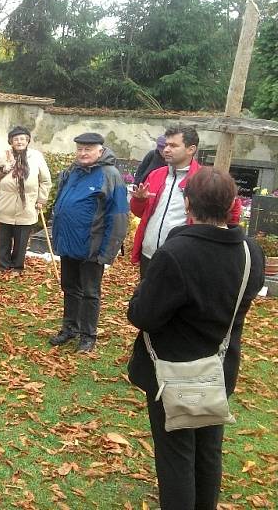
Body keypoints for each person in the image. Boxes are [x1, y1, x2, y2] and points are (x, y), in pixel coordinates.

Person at [127, 167, 264, 510]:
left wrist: (140, 294)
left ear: (188, 203)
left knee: (176, 454)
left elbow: (143, 314)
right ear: (232, 204)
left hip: (174, 372)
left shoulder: (177, 253)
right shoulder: (250, 251)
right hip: (219, 366)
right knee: (208, 449)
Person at [49, 132, 129, 353]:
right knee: (69, 288)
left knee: (90, 292)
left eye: (88, 149)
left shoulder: (110, 175)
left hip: (92, 248)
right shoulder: (73, 172)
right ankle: (69, 328)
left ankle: (88, 335)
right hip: (68, 244)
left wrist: (107, 252)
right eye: (80, 149)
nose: (83, 153)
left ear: (100, 151)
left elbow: (119, 216)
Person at [131, 126, 242, 280]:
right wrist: (139, 200)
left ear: (191, 149)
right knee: (147, 300)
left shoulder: (204, 179)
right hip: (149, 255)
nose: (167, 150)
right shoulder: (155, 175)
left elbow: (230, 214)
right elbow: (139, 213)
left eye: (173, 146)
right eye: (166, 145)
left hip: (183, 257)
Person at [0, 126, 52, 274]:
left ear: (28, 140)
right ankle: (2, 265)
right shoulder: (4, 156)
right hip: (6, 202)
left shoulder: (36, 156)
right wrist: (3, 169)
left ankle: (17, 267)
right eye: (16, 139)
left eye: (23, 138)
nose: (19, 141)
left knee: (22, 238)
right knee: (3, 238)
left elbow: (45, 180)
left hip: (28, 204)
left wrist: (41, 199)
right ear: (11, 141)